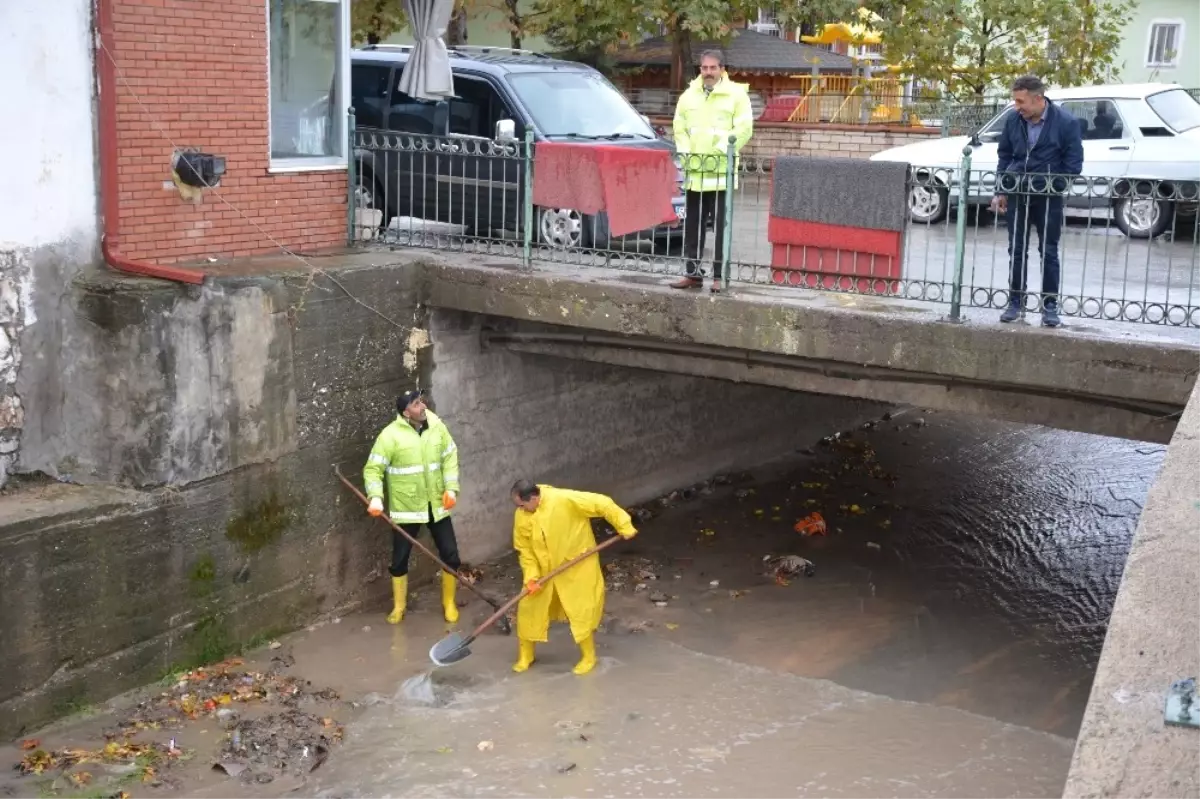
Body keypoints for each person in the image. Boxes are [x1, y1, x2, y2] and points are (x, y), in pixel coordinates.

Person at [509, 480, 639, 675]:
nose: (519, 509)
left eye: (521, 504)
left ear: (534, 498)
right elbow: (524, 549)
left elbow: (602, 502)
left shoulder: (564, 499)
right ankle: (526, 655)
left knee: (580, 610)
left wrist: (623, 524)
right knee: (529, 609)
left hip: (575, 566)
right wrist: (531, 576)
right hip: (543, 571)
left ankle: (589, 656)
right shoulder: (522, 516)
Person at [990, 75, 1084, 328]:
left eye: (1021, 101)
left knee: (1049, 252)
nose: (1017, 106)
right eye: (1015, 101)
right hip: (1018, 195)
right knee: (1016, 250)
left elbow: (1073, 165)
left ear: (1038, 99)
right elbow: (1004, 156)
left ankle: (1050, 307)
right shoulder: (1013, 120)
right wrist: (1001, 190)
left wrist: (1052, 185)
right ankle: (1015, 302)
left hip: (1048, 198)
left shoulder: (1066, 123)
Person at [363, 389, 463, 625]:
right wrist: (375, 497)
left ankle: (449, 603)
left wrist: (451, 489)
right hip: (406, 507)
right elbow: (373, 469)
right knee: (399, 559)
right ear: (406, 412)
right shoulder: (390, 436)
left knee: (451, 555)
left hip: (437, 504)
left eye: (422, 401)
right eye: (417, 404)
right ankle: (399, 606)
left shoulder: (437, 426)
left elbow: (450, 456)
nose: (423, 406)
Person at [670, 49, 754, 294]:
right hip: (696, 174)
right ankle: (693, 274)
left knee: (720, 230)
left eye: (712, 68)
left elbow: (744, 128)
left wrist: (718, 151)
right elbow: (679, 127)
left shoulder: (737, 95)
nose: (707, 72)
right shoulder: (688, 95)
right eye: (704, 68)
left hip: (720, 175)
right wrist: (686, 153)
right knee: (693, 227)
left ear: (722, 69)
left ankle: (719, 276)